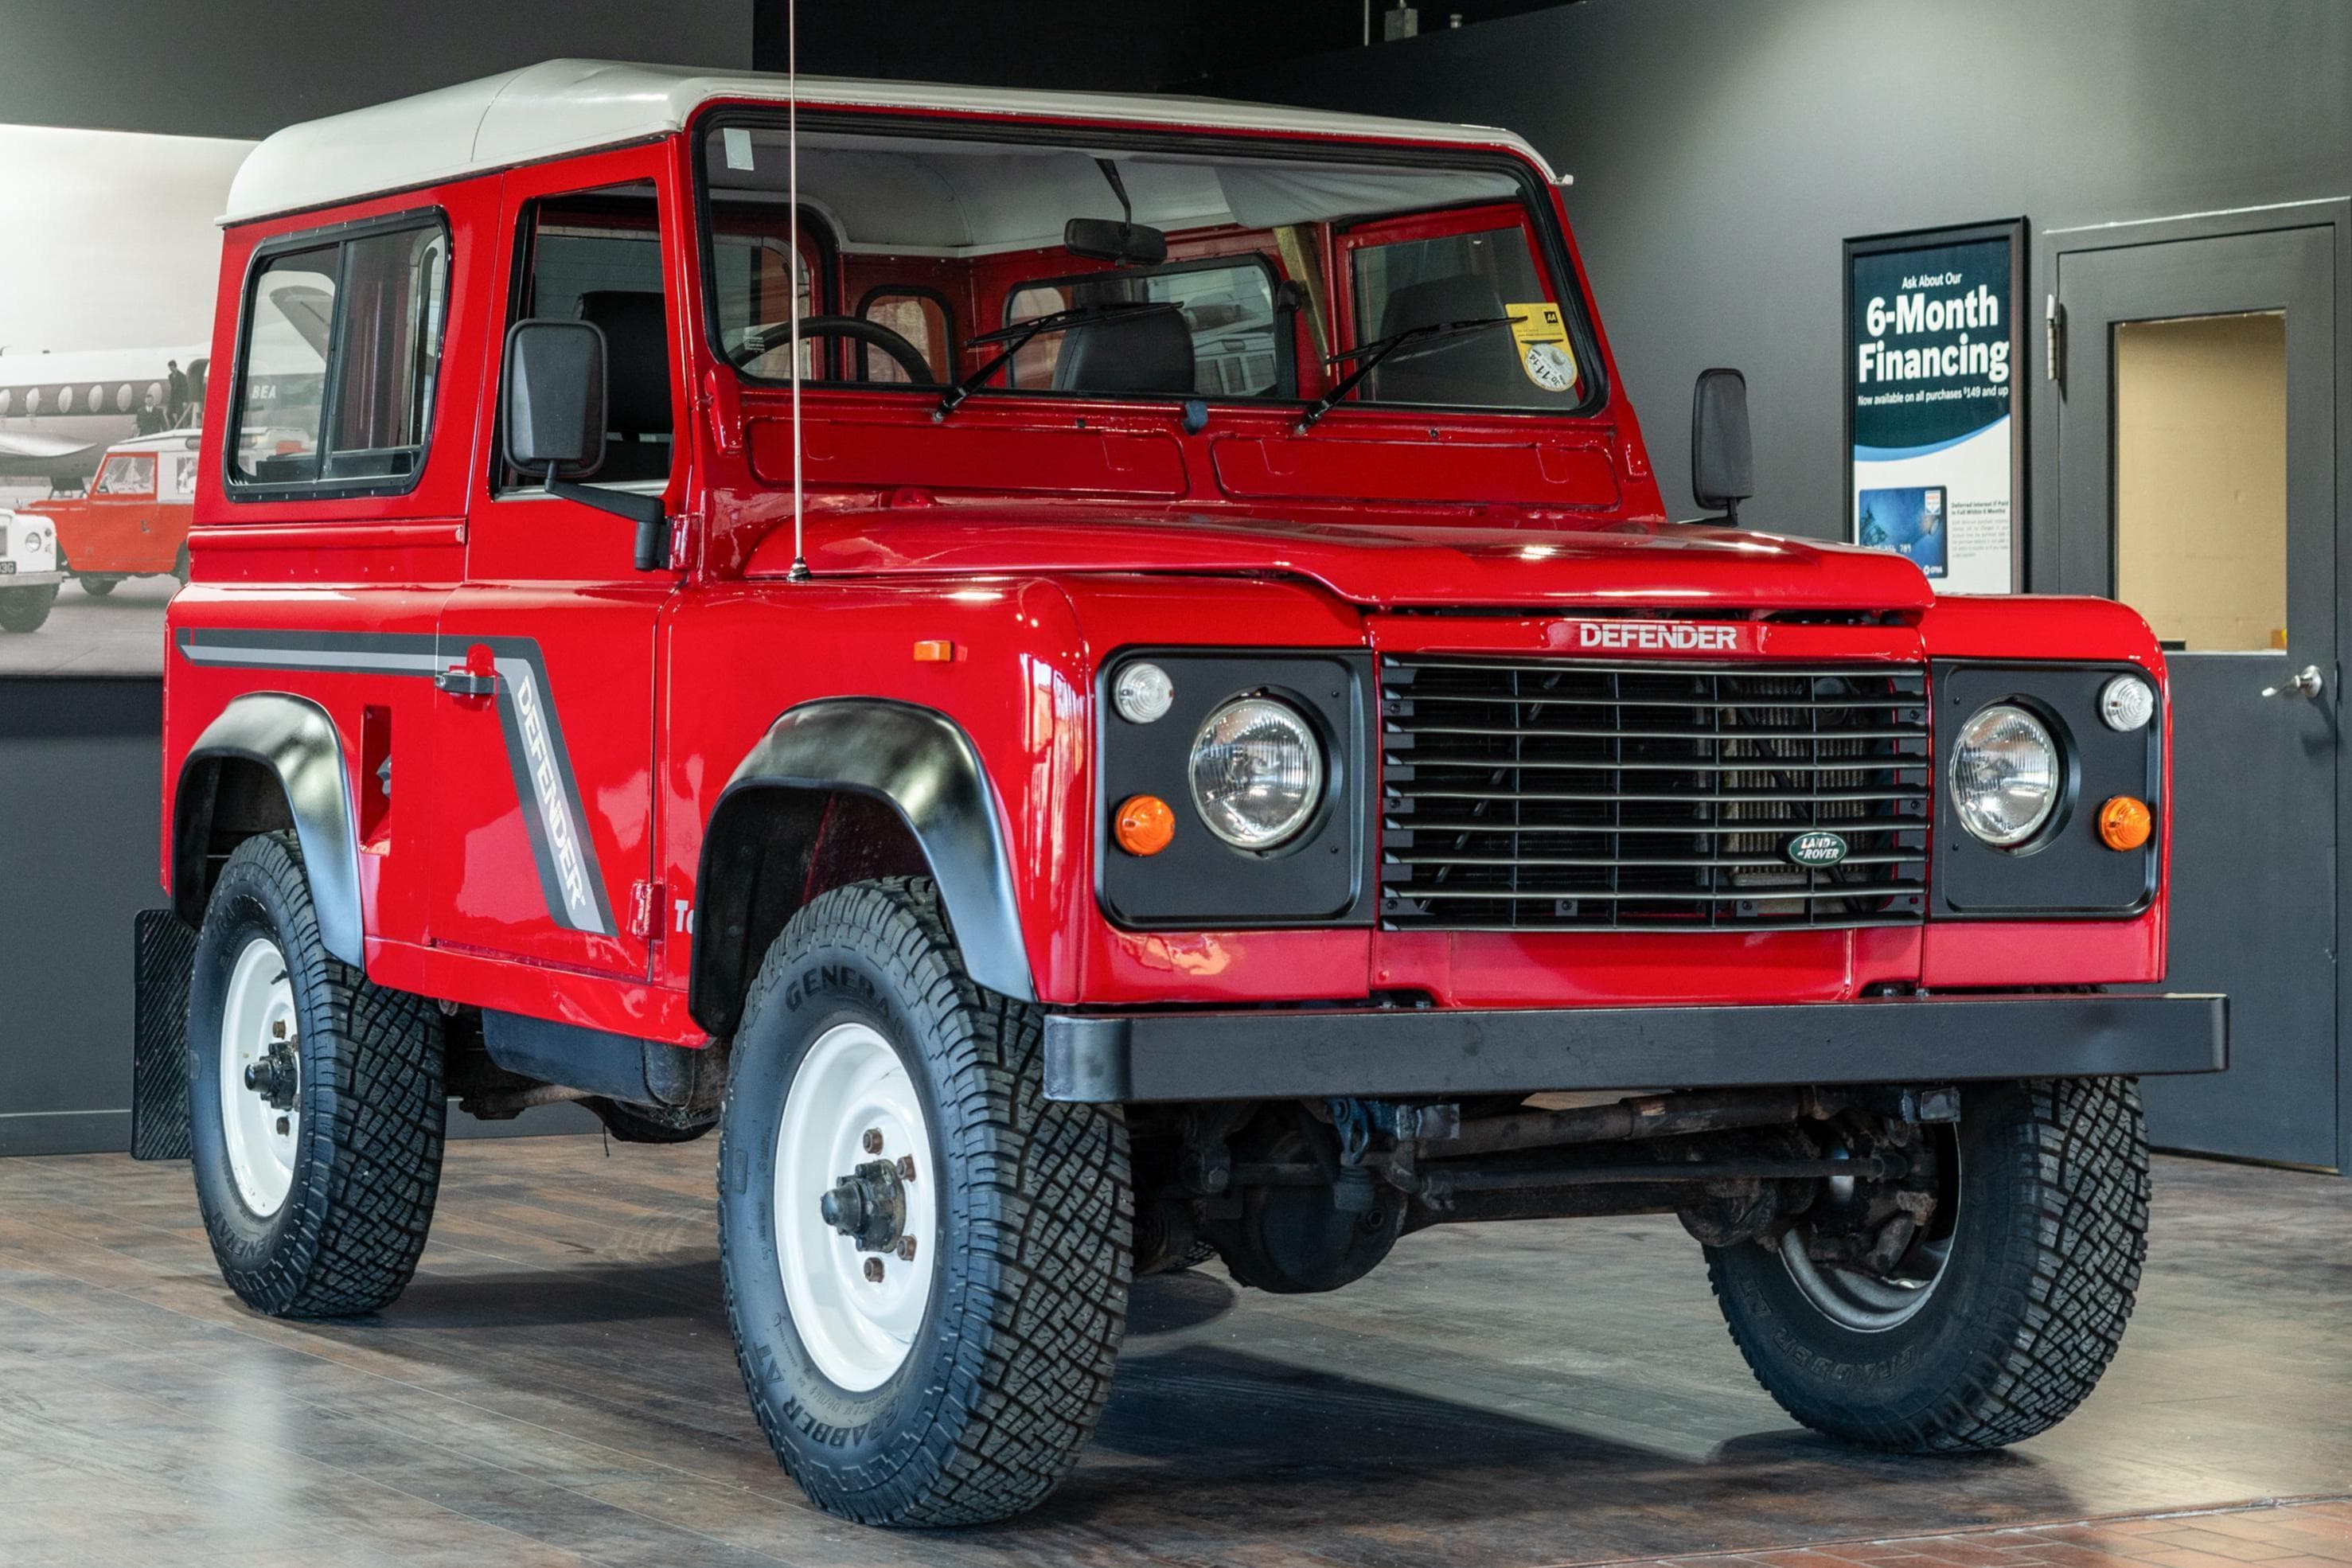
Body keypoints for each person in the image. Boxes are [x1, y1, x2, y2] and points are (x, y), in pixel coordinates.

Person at [166, 360, 189, 427]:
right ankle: (174, 426)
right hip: (173, 399)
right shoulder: (170, 376)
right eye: (170, 368)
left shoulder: (182, 376)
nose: (171, 370)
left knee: (180, 415)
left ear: (175, 367)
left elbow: (185, 389)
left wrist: (185, 401)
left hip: (180, 399)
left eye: (172, 368)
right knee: (168, 413)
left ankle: (179, 428)